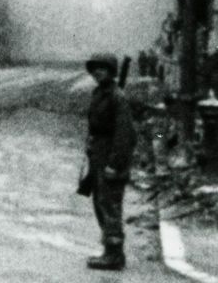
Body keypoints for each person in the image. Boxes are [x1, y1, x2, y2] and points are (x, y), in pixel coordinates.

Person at [83, 52, 137, 271]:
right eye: (95, 68)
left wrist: (115, 164)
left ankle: (114, 255)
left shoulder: (117, 97)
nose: (97, 72)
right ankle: (109, 249)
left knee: (109, 204)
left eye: (103, 68)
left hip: (111, 156)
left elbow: (125, 134)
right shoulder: (101, 93)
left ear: (112, 72)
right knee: (100, 203)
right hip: (99, 154)